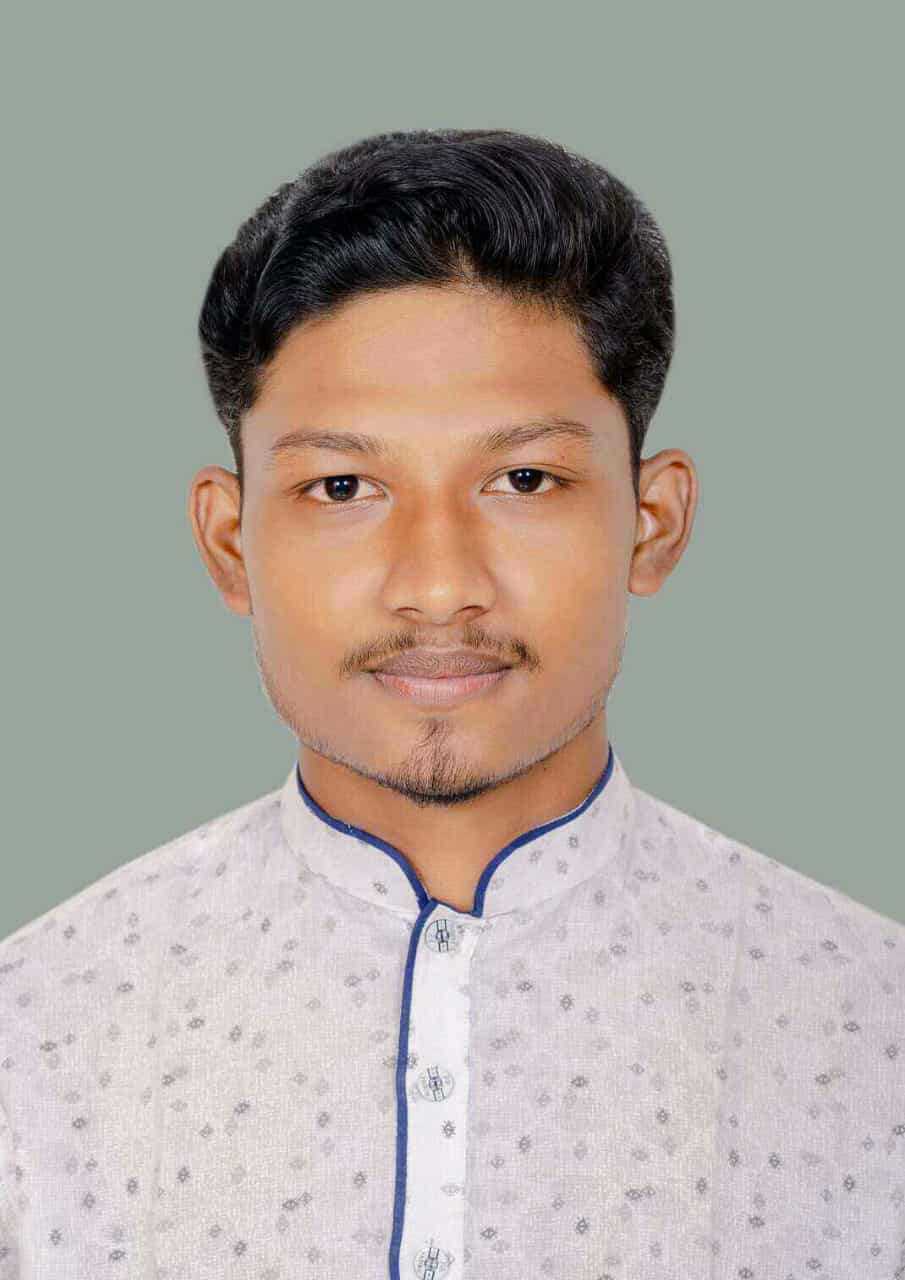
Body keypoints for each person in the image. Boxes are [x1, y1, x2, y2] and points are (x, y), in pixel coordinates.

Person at [1, 128, 902, 1280]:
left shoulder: (870, 1029)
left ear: (652, 521)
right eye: (342, 486)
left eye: (523, 479)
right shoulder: (33, 1035)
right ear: (230, 543)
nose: (436, 584)